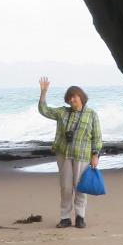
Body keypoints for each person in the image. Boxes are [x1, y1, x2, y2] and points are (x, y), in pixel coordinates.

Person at [36, 76, 101, 229]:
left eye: (74, 96)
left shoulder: (91, 114)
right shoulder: (62, 113)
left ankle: (80, 217)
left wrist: (95, 155)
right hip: (64, 154)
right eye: (69, 98)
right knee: (65, 187)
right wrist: (43, 93)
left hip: (82, 155)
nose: (72, 100)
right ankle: (65, 217)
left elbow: (97, 137)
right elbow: (44, 110)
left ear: (81, 97)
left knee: (80, 187)